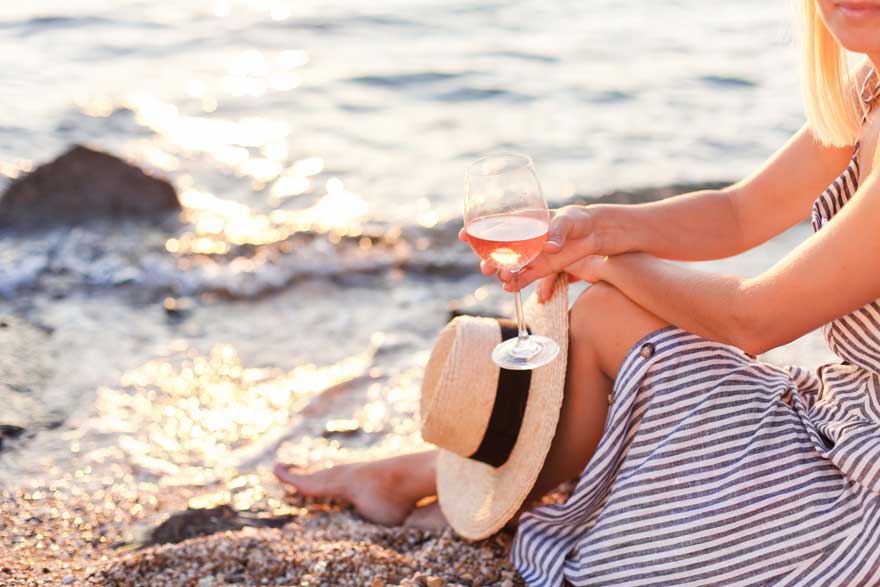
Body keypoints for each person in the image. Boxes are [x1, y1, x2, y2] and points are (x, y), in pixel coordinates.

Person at [275, 1, 880, 585]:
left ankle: (461, 490)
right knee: (606, 314)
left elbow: (755, 317)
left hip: (865, 489)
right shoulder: (867, 88)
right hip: (850, 415)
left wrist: (606, 262)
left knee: (608, 310)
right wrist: (600, 225)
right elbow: (739, 213)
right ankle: (438, 478)